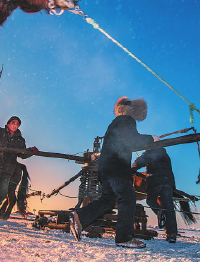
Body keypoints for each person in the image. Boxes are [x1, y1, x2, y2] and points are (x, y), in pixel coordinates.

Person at [69, 97, 157, 249]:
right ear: (132, 111)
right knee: (127, 197)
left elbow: (123, 141)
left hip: (105, 167)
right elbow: (133, 140)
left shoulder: (114, 123)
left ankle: (79, 216)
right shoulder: (127, 120)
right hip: (118, 167)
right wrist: (152, 139)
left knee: (108, 200)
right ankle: (124, 238)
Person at [131, 146, 178, 243]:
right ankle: (172, 234)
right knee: (169, 207)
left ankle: (159, 211)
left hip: (155, 180)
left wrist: (132, 168)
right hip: (168, 182)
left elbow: (138, 163)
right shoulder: (165, 155)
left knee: (151, 200)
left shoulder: (150, 152)